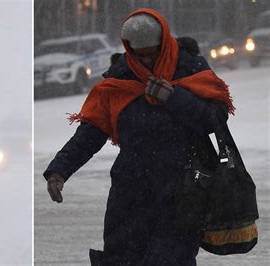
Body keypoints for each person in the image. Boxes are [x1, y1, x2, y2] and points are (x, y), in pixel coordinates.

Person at [43, 8, 234, 266]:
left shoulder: (190, 68)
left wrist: (173, 98)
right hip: (130, 192)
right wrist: (60, 170)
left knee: (169, 260)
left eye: (152, 52)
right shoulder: (120, 78)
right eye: (138, 54)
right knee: (122, 259)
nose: (146, 60)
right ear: (128, 48)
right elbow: (92, 131)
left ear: (164, 42)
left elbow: (214, 119)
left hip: (182, 191)